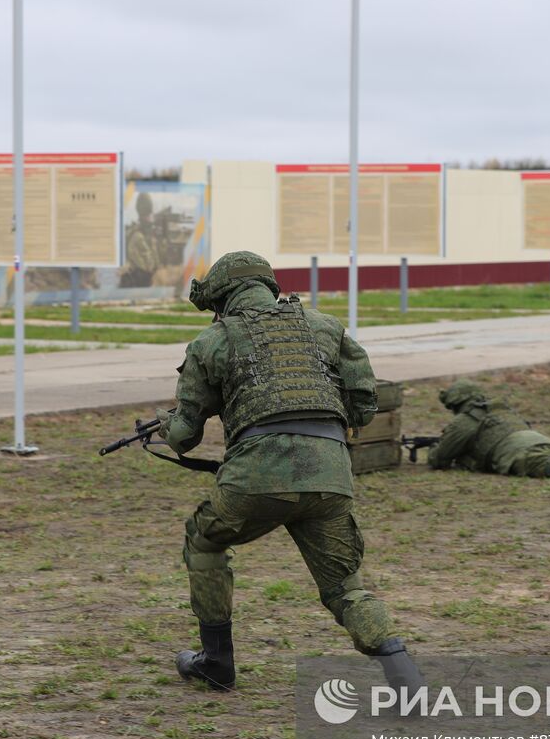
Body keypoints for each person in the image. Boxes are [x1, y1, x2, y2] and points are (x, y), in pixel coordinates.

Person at [157, 250, 422, 691]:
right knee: (344, 585)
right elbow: (363, 404)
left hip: (255, 478)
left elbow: (185, 436)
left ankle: (216, 660)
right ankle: (404, 673)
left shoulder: (211, 342)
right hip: (331, 474)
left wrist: (166, 426)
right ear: (268, 286)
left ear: (221, 299)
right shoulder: (325, 327)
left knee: (204, 540)